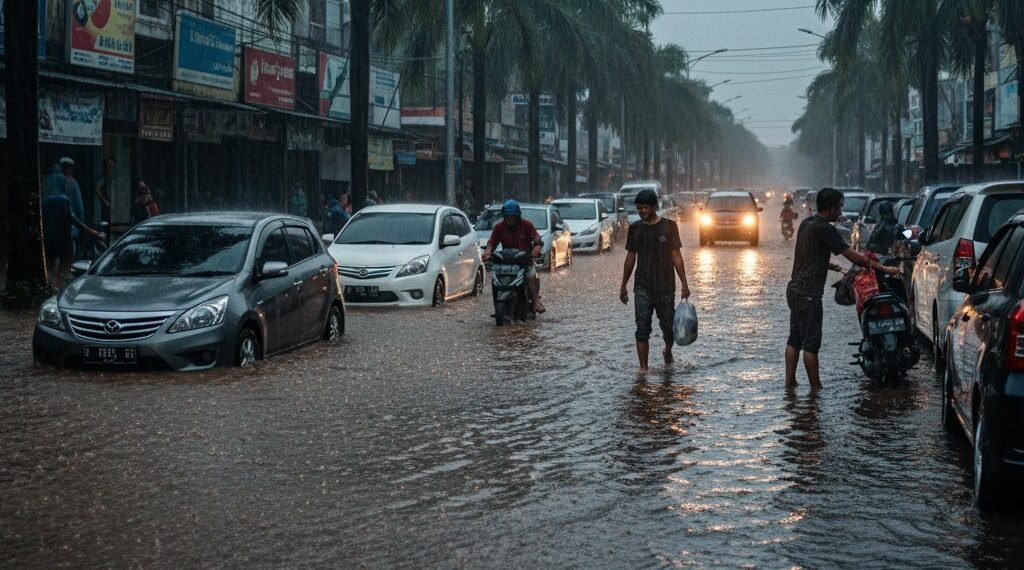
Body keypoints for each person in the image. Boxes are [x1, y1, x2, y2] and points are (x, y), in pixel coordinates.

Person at [786, 187, 902, 391]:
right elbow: (852, 255)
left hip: (794, 290)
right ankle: (816, 391)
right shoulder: (825, 228)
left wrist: (833, 267)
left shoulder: (807, 224)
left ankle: (790, 384)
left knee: (794, 339)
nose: (841, 212)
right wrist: (884, 268)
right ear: (830, 208)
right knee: (811, 345)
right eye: (839, 207)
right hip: (809, 294)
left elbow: (808, 255)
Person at [619, 189, 691, 371]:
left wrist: (684, 283)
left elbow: (676, 256)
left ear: (653, 207)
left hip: (665, 286)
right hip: (642, 286)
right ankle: (643, 369)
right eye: (638, 208)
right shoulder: (635, 229)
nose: (642, 211)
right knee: (642, 327)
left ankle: (667, 350)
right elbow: (630, 259)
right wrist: (623, 286)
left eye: (645, 207)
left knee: (668, 327)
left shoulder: (669, 227)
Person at [42, 164, 103, 289]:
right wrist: (91, 231)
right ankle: (61, 285)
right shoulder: (64, 199)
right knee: (66, 264)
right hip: (65, 237)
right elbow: (74, 218)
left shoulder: (46, 200)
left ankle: (53, 284)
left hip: (50, 237)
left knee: (54, 261)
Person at [482, 199, 545, 314]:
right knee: (494, 280)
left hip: (524, 261)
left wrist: (535, 250)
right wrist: (488, 252)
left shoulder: (527, 225)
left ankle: (536, 301)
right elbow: (492, 243)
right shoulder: (499, 227)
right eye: (507, 217)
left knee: (531, 275)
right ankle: (497, 305)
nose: (510, 219)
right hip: (506, 263)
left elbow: (537, 239)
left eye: (512, 217)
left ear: (517, 216)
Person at [58, 157, 85, 255]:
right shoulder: (73, 183)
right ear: (69, 169)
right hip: (71, 220)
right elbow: (79, 203)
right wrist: (81, 219)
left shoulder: (55, 182)